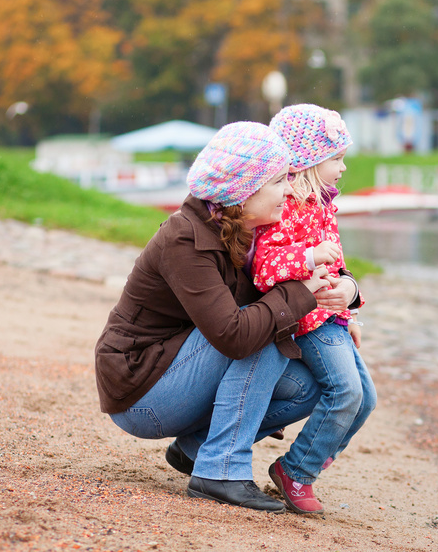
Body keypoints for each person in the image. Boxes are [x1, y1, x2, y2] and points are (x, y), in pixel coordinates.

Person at [94, 121, 360, 513]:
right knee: (262, 330)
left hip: (181, 369)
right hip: (142, 390)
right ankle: (220, 470)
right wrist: (302, 293)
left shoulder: (250, 230)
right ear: (243, 191)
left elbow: (317, 258)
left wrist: (346, 292)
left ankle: (197, 449)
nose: (288, 190)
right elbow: (233, 336)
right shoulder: (185, 237)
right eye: (277, 182)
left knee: (311, 384)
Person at [252, 104, 377, 514]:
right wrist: (307, 257)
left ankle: (305, 463)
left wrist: (350, 308)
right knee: (345, 392)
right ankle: (297, 472)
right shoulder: (283, 206)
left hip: (331, 317)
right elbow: (264, 268)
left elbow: (336, 266)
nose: (343, 167)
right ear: (306, 160)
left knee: (367, 399)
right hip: (306, 320)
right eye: (336, 158)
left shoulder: (323, 202)